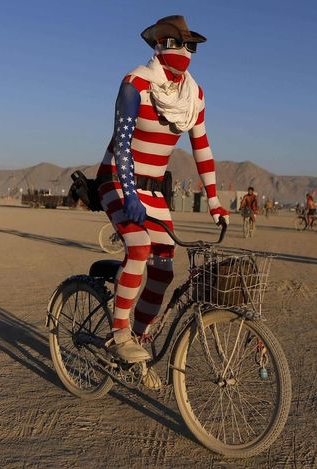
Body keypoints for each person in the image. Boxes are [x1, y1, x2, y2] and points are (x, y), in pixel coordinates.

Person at [95, 15, 229, 373]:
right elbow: (122, 146)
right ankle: (119, 332)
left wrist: (214, 200)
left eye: (192, 46)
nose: (186, 52)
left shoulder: (193, 96)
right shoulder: (135, 83)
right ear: (161, 45)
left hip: (154, 190)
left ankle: (138, 343)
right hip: (116, 179)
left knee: (164, 268)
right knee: (139, 246)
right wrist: (129, 194)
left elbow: (202, 148)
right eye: (180, 43)